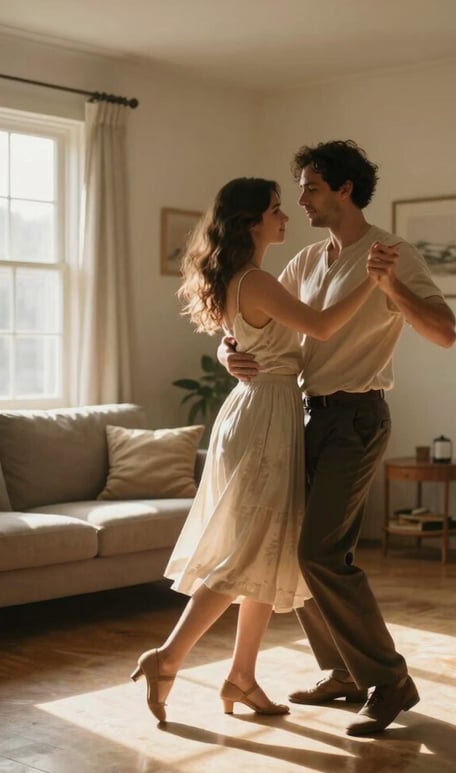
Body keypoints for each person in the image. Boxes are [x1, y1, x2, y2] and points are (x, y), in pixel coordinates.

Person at [220, 141, 456, 736]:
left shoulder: (390, 252)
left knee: (321, 553)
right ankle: (346, 673)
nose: (300, 199)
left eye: (311, 188)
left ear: (344, 190)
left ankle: (389, 681)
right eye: (298, 190)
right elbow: (269, 326)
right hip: (307, 416)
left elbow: (445, 332)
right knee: (289, 545)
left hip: (358, 418)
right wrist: (229, 352)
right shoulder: (306, 260)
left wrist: (391, 288)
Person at [132, 176, 382, 724]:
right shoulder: (256, 280)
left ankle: (242, 676)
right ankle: (168, 658)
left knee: (268, 550)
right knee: (247, 551)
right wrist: (373, 282)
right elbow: (319, 326)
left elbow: (243, 340)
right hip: (263, 417)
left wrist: (229, 353)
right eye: (274, 209)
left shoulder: (239, 280)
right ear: (250, 223)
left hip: (257, 409)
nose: (285, 216)